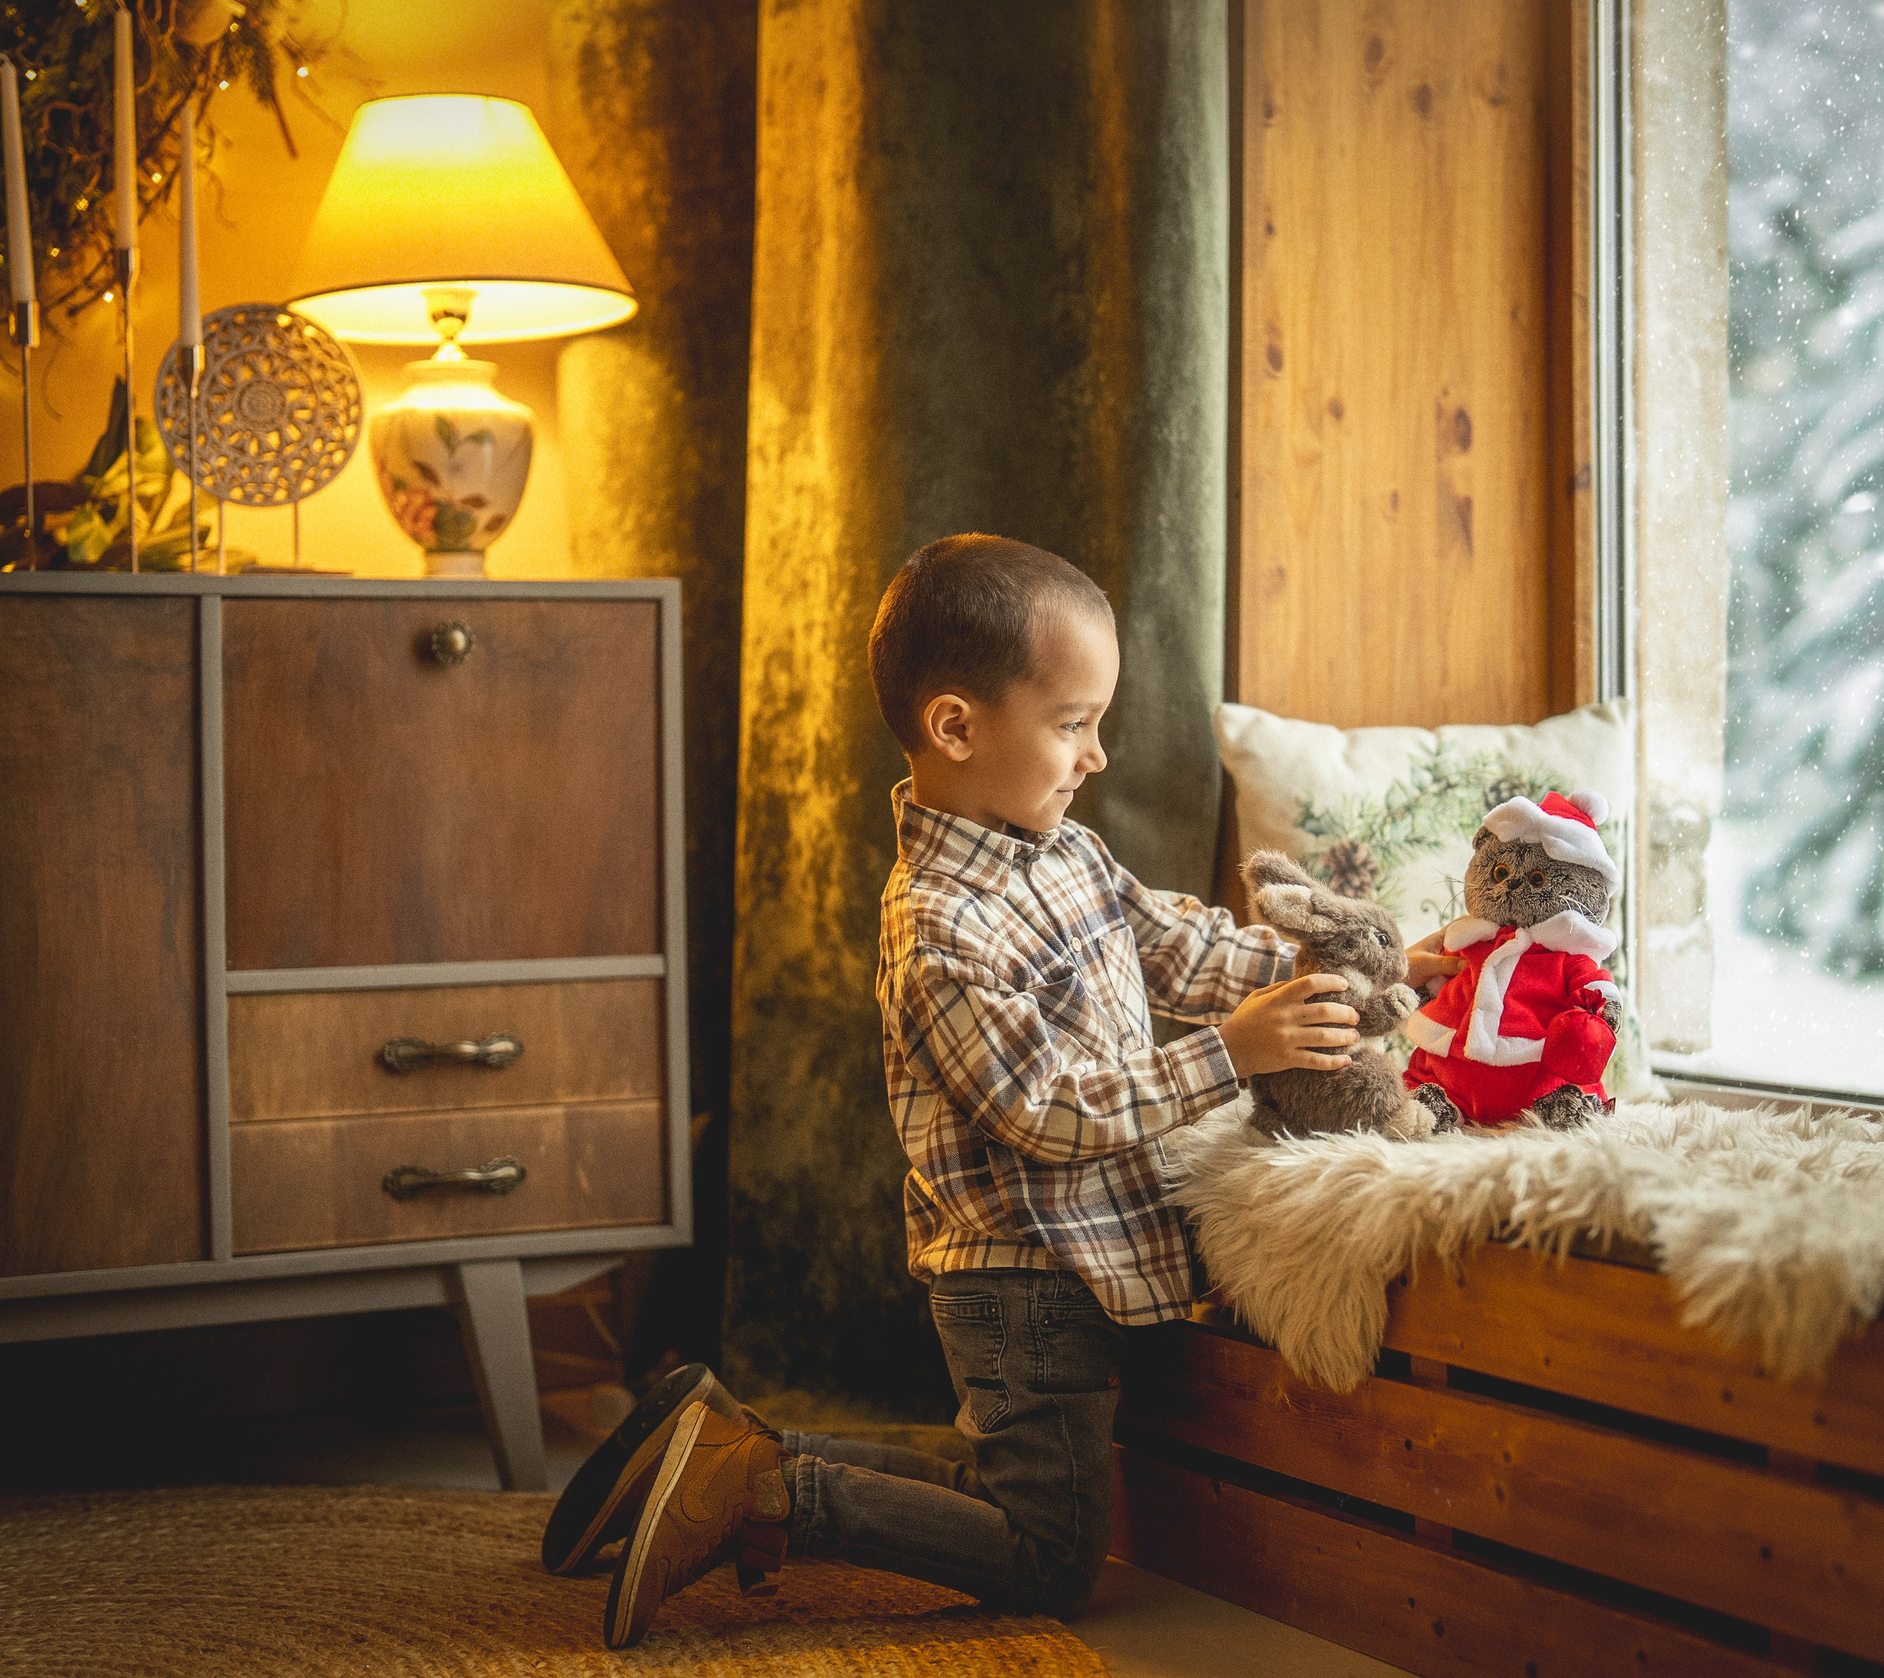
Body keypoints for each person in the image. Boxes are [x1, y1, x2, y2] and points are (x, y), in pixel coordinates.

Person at [544, 533, 1371, 1648]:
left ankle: (716, 1446)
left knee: (1006, 1481)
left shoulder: (1063, 852)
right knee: (1046, 1555)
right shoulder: (937, 923)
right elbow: (1043, 1109)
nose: (1099, 756)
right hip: (1021, 1279)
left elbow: (1175, 947)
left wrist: (1360, 970)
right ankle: (768, 1492)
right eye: (1073, 724)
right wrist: (1230, 1054)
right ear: (955, 727)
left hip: (1082, 1259)